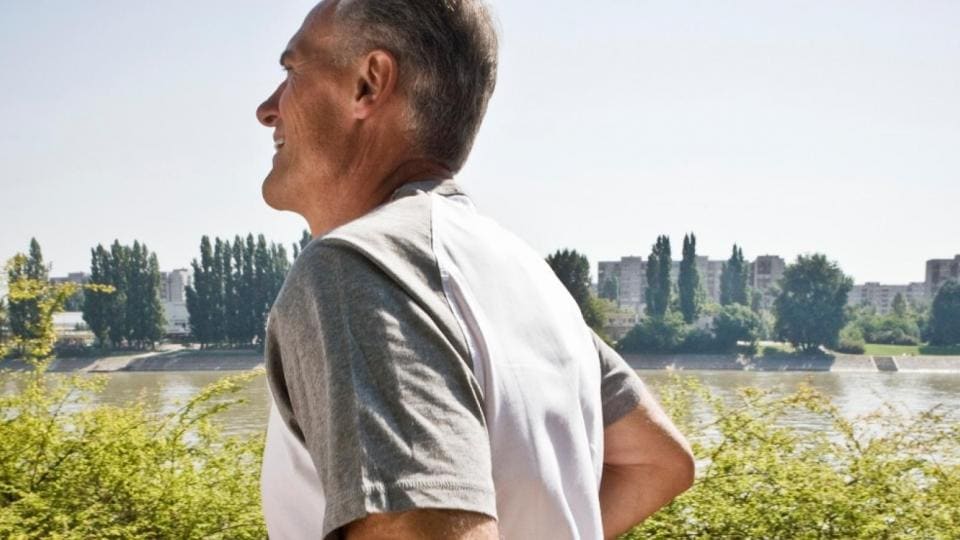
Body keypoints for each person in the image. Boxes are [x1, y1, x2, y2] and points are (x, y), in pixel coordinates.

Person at [255, 1, 695, 538]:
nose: (268, 108)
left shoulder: (359, 268)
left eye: (291, 72)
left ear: (368, 85)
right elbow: (657, 461)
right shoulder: (531, 279)